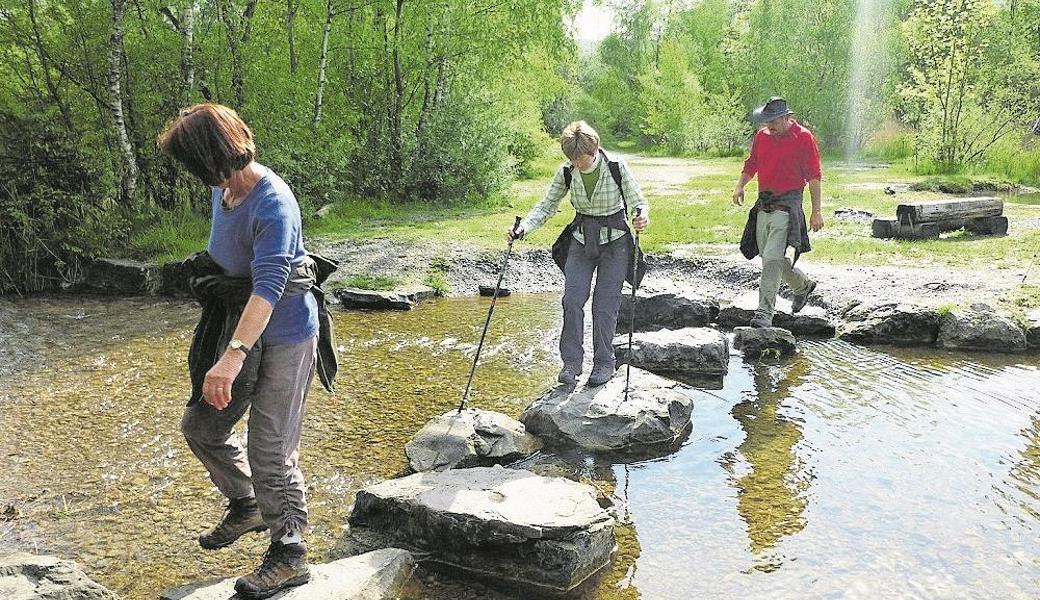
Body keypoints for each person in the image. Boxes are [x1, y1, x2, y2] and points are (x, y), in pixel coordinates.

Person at [158, 103, 336, 599]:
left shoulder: (273, 202)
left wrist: (232, 355)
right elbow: (230, 257)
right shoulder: (225, 190)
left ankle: (291, 554)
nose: (197, 177)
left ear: (215, 154)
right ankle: (248, 503)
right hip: (241, 325)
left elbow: (271, 284)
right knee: (203, 425)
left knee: (271, 450)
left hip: (284, 333)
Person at [509, 121, 648, 387]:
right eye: (572, 159)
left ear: (594, 149)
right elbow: (547, 206)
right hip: (581, 241)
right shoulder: (566, 172)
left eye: (581, 159)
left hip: (616, 244)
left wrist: (641, 217)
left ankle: (605, 363)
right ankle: (571, 363)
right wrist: (523, 228)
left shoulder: (616, 167)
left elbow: (637, 202)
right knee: (572, 300)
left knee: (604, 307)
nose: (577, 164)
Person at [733, 97, 824, 328]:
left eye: (773, 121)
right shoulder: (762, 137)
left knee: (772, 258)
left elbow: (814, 176)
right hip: (764, 203)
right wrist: (740, 185)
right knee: (770, 257)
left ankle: (764, 313)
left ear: (786, 117)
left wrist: (816, 211)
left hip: (788, 205)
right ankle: (803, 286)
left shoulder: (804, 138)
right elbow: (751, 163)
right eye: (766, 121)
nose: (769, 126)